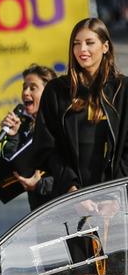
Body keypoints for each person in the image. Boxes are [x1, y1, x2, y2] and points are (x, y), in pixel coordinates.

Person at [35, 17, 128, 197]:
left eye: (89, 42)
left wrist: (115, 196)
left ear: (105, 46)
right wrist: (71, 189)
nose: (82, 49)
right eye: (76, 44)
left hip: (115, 197)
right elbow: (47, 148)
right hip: (68, 197)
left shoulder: (122, 90)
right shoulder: (56, 91)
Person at [0, 64, 58, 210]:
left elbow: (71, 173)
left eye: (32, 88)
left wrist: (41, 185)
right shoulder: (25, 125)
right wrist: (12, 135)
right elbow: (14, 164)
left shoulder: (60, 124)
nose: (25, 92)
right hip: (38, 211)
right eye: (24, 87)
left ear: (48, 92)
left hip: (63, 207)